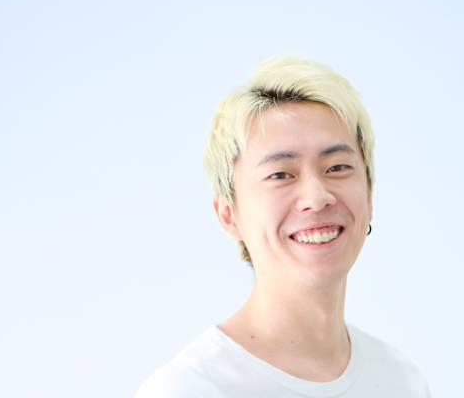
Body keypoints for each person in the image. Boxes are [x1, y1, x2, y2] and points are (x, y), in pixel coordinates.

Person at [135, 56, 431, 397]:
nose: (316, 198)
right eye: (280, 174)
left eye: (337, 167)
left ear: (369, 195)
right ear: (229, 215)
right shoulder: (191, 388)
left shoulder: (401, 381)